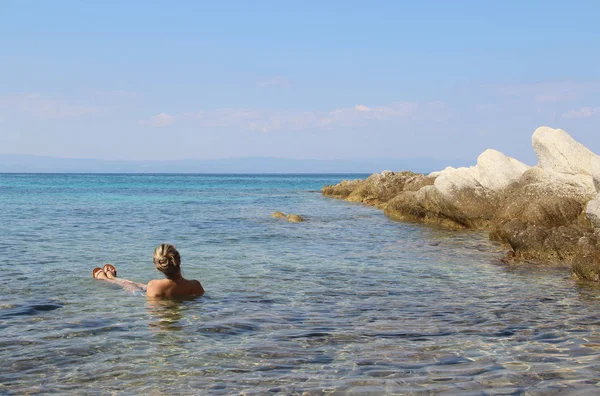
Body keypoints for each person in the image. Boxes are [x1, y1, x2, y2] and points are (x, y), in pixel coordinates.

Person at [92, 244, 205, 298]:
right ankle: (111, 278)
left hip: (146, 295)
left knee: (130, 285)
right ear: (179, 260)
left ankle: (109, 278)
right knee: (140, 285)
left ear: (158, 267)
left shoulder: (154, 285)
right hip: (159, 294)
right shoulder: (195, 286)